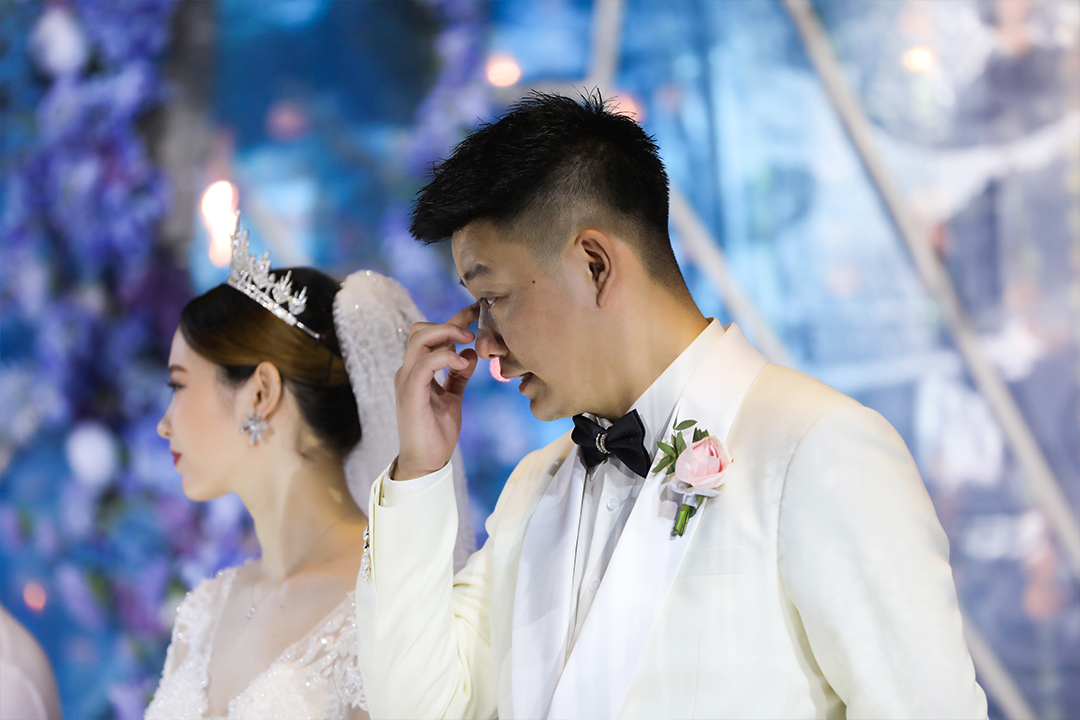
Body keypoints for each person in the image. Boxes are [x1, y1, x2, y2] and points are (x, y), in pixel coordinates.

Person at [354, 92, 988, 719]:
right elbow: (416, 710)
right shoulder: (533, 487)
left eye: (493, 297)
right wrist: (419, 471)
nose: (484, 341)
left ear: (595, 264)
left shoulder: (818, 447)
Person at [146, 220, 473, 719]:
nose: (163, 424)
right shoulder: (206, 608)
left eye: (179, 385)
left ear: (260, 393)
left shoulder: (392, 594)